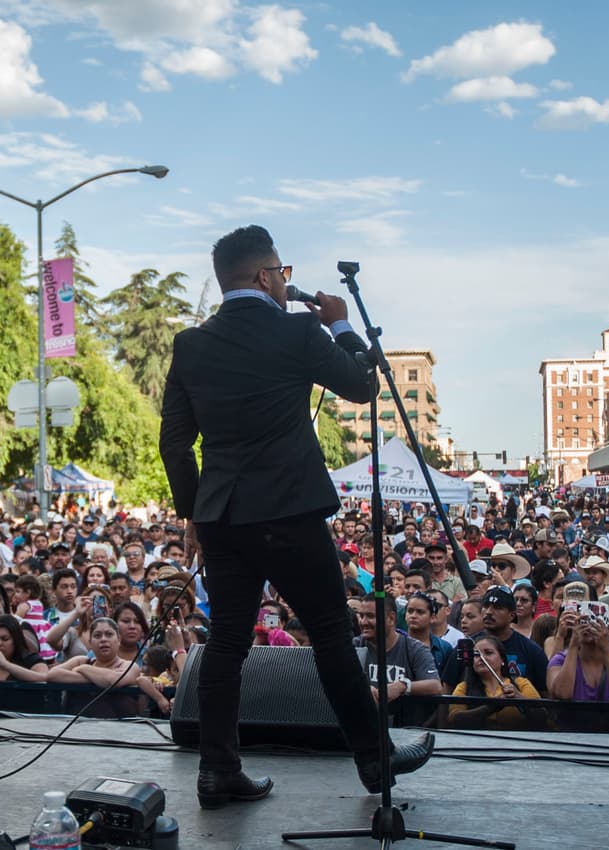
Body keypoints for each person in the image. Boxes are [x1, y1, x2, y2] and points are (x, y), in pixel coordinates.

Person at [158, 225, 432, 809]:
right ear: (264, 276)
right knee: (332, 635)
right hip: (289, 510)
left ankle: (217, 771)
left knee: (226, 643)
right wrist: (339, 323)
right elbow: (361, 384)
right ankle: (373, 761)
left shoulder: (190, 345)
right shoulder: (300, 328)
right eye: (281, 272)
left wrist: (195, 514)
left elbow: (175, 446)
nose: (286, 282)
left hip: (223, 516)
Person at [447, 635, 542, 730]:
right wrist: (490, 707)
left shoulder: (521, 684)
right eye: (476, 655)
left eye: (488, 653)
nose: (482, 657)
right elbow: (454, 720)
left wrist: (519, 698)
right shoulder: (464, 687)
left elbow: (542, 717)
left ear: (502, 660)